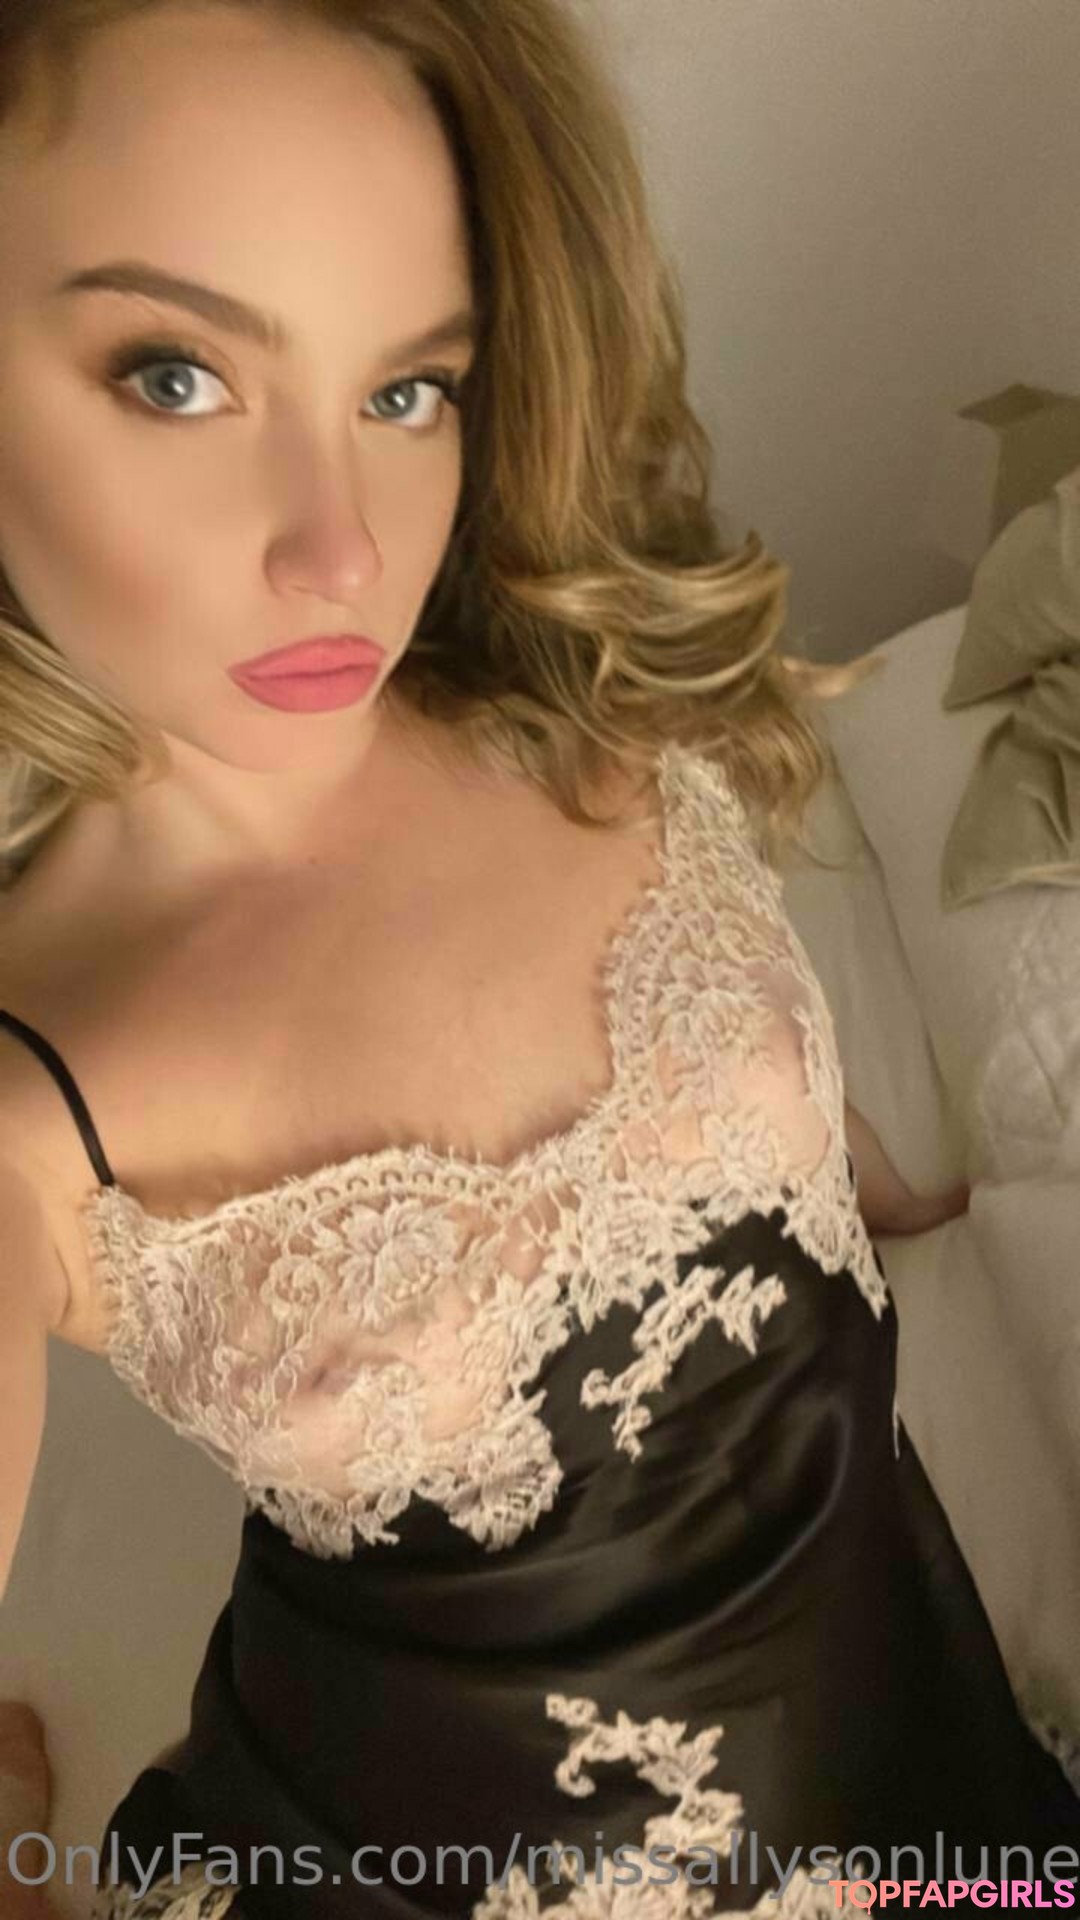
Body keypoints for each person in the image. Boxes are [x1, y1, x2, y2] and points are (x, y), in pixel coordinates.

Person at [0, 2, 1076, 1917]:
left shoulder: (575, 672)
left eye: (408, 388)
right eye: (175, 375)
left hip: (908, 1734)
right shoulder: (28, 1104)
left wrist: (818, 1164)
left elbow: (721, 1067)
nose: (343, 552)